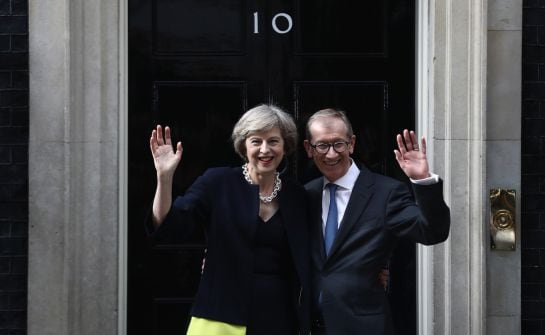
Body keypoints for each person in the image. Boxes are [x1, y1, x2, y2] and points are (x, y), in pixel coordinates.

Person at [148, 104, 310, 335]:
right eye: (256, 141)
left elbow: (314, 251)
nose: (265, 149)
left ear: (286, 146)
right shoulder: (218, 182)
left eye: (273, 141)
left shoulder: (297, 196)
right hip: (219, 314)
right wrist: (164, 179)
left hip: (279, 316)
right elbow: (168, 226)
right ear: (244, 145)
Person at [303, 108, 450, 335]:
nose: (331, 154)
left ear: (351, 144)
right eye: (322, 145)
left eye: (338, 144)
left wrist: (422, 180)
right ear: (308, 149)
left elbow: (432, 232)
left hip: (363, 327)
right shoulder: (306, 195)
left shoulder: (386, 193)